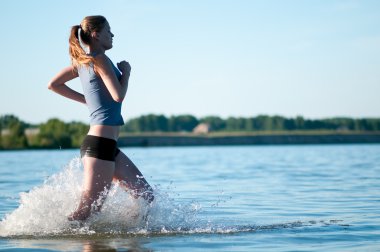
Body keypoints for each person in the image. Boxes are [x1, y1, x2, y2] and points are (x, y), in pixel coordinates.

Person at [48, 15, 154, 221]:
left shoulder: (84, 62)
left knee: (145, 196)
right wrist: (127, 73)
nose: (112, 35)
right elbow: (118, 95)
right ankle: (56, 235)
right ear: (96, 35)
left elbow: (53, 85)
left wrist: (88, 100)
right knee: (86, 212)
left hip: (107, 147)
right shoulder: (100, 59)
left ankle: (128, 234)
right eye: (108, 31)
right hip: (99, 145)